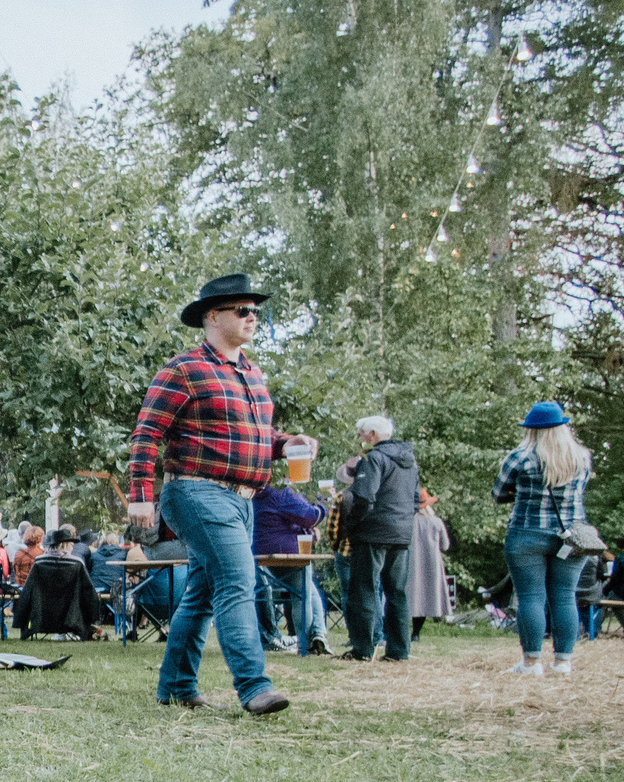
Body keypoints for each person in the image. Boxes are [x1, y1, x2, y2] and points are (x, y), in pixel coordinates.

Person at [124, 272, 310, 715]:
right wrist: (140, 494)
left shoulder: (253, 373)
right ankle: (254, 687)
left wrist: (288, 444)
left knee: (203, 592)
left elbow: (258, 435)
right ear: (213, 316)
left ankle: (175, 687)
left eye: (256, 312)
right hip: (194, 491)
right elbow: (147, 434)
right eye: (243, 310)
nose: (252, 318)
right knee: (237, 580)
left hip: (245, 498)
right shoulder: (184, 369)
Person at [493, 402, 593, 677]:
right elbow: (580, 491)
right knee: (564, 597)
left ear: (531, 430)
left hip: (527, 533)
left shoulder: (520, 457)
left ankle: (531, 662)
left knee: (530, 597)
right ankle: (563, 662)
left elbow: (499, 493)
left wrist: (524, 492)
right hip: (572, 536)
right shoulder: (582, 457)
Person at [338, 415, 419, 661]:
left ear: (372, 435)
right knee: (397, 592)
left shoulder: (374, 458)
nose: (360, 439)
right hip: (401, 533)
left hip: (372, 532)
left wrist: (351, 525)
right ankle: (399, 651)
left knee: (362, 588)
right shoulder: (409, 461)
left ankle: (362, 650)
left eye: (361, 434)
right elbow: (415, 500)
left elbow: (364, 497)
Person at [250, 465, 324, 652]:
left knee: (309, 589)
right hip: (286, 552)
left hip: (257, 552)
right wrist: (323, 506)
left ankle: (318, 634)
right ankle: (308, 642)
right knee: (303, 592)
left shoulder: (249, 493)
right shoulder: (281, 493)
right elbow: (309, 516)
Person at [407, 489, 453, 638]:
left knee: (411, 596)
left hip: (412, 562)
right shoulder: (436, 522)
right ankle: (416, 633)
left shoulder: (409, 521)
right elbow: (445, 546)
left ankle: (401, 630)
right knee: (426, 597)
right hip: (431, 564)